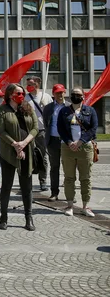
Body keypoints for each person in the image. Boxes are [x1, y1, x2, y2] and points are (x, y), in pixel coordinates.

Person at [0, 83, 38, 232]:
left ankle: (28, 218)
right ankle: (3, 217)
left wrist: (24, 143)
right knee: (6, 186)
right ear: (10, 95)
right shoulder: (3, 109)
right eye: (17, 93)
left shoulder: (27, 107)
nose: (21, 95)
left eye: (22, 93)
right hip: (8, 152)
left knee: (27, 187)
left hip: (26, 151)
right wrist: (15, 144)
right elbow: (1, 131)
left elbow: (35, 127)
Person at [56, 87, 98, 217]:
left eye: (78, 94)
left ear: (83, 97)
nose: (75, 96)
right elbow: (60, 128)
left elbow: (93, 128)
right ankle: (70, 206)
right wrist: (69, 142)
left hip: (85, 148)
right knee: (69, 178)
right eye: (73, 94)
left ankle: (85, 206)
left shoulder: (90, 110)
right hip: (67, 148)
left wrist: (80, 141)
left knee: (85, 178)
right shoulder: (64, 111)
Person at [26, 76, 53, 191]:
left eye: (30, 84)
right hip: (29, 130)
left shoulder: (46, 97)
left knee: (43, 156)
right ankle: (28, 181)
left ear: (37, 84)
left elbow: (52, 114)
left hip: (42, 130)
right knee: (29, 156)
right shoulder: (25, 98)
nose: (27, 86)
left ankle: (43, 181)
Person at [43, 84, 69, 202]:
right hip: (53, 140)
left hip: (67, 141)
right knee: (54, 167)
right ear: (53, 94)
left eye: (62, 92)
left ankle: (70, 193)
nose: (60, 95)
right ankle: (54, 192)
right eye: (57, 92)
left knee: (69, 168)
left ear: (65, 93)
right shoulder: (48, 108)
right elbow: (46, 124)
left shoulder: (70, 106)